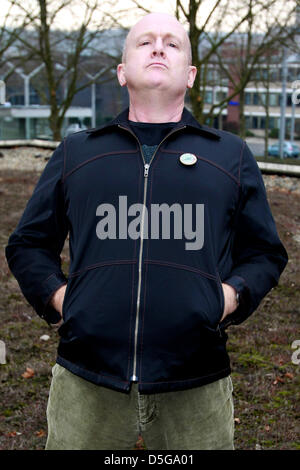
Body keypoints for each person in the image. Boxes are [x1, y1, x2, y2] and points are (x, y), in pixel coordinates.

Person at [5, 12, 288, 450]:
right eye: (145, 42)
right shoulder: (77, 153)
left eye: (172, 43)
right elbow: (28, 244)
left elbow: (266, 253)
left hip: (195, 385)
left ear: (190, 74)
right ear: (121, 72)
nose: (158, 48)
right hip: (88, 383)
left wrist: (227, 297)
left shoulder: (230, 157)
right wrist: (62, 299)